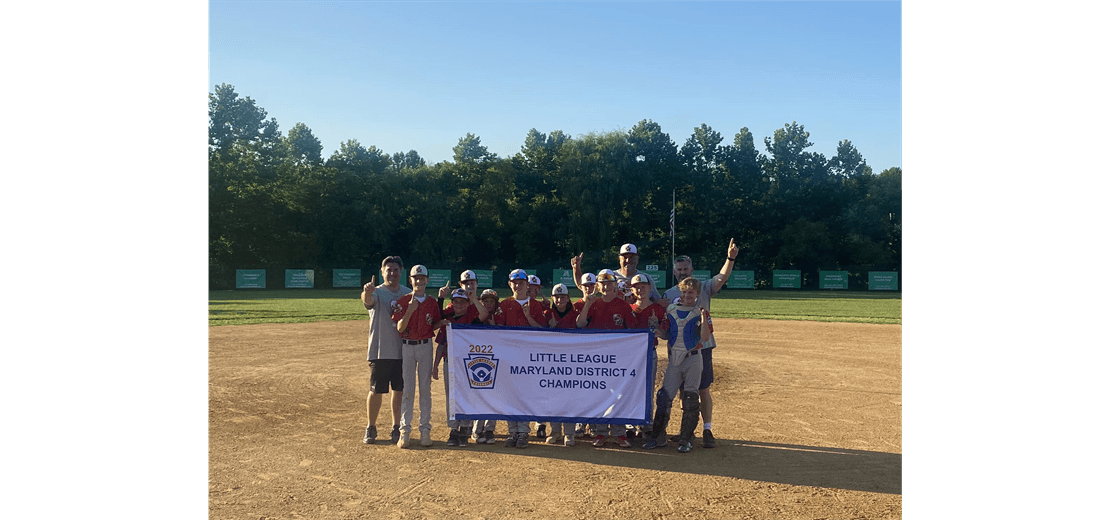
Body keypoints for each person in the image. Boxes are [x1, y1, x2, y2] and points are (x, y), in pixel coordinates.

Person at [660, 238, 740, 449]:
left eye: (686, 268)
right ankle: (686, 430)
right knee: (683, 390)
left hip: (700, 348)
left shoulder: (703, 288)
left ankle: (707, 428)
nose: (683, 272)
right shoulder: (669, 294)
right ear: (674, 271)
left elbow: (722, 277)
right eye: (679, 269)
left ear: (692, 269)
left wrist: (730, 258)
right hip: (677, 349)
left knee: (702, 389)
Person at [643, 276, 712, 453]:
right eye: (684, 292)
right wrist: (659, 332)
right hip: (675, 359)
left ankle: (685, 439)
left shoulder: (701, 312)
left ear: (697, 294)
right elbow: (668, 334)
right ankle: (657, 437)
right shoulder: (671, 310)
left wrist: (703, 318)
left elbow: (705, 337)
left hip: (693, 358)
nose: (688, 295)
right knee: (664, 396)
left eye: (691, 292)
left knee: (690, 398)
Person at [576, 268, 636, 448]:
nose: (606, 286)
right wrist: (587, 303)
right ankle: (600, 432)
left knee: (618, 393)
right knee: (600, 393)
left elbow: (633, 329)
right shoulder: (594, 303)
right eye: (602, 283)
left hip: (617, 356)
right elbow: (580, 324)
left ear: (615, 285)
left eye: (609, 283)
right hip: (596, 357)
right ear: (598, 286)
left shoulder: (623, 305)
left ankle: (619, 433)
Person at [361, 256, 411, 446]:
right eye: (388, 270)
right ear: (382, 272)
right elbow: (367, 301)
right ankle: (371, 426)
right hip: (380, 351)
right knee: (376, 391)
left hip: (402, 351)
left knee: (398, 391)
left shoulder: (408, 293)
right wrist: (367, 292)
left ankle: (396, 426)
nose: (392, 273)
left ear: (401, 272)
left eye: (395, 270)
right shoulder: (377, 292)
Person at [496, 268, 548, 448]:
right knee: (510, 395)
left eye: (521, 282)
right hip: (509, 356)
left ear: (527, 285)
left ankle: (524, 431)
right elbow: (497, 330)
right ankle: (513, 432)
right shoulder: (504, 304)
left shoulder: (535, 305)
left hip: (529, 357)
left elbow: (543, 331)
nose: (518, 285)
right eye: (514, 282)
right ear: (510, 284)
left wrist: (528, 317)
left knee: (525, 395)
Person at [392, 265, 443, 448]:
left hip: (425, 346)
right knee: (408, 389)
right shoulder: (404, 301)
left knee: (425, 389)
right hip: (408, 346)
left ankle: (425, 430)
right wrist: (410, 310)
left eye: (422, 278)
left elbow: (434, 324)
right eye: (416, 278)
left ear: (427, 280)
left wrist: (441, 322)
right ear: (410, 280)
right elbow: (399, 327)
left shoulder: (430, 302)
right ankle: (404, 431)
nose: (419, 281)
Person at [432, 287, 488, 447]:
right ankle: (453, 429)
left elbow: (484, 315)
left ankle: (465, 428)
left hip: (467, 364)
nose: (459, 305)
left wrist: (474, 299)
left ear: (467, 303)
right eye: (456, 302)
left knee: (467, 395)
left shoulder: (471, 319)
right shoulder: (448, 321)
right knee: (451, 396)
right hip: (450, 362)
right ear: (452, 303)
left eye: (462, 302)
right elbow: (441, 345)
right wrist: (435, 365)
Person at [629, 273, 668, 441]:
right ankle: (630, 423)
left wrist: (658, 328)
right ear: (632, 290)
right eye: (636, 287)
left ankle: (646, 423)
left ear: (650, 288)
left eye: (643, 286)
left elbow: (666, 334)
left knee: (648, 389)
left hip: (649, 352)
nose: (640, 289)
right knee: (629, 389)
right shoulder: (628, 308)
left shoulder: (658, 309)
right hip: (630, 355)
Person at [543, 283, 580, 446]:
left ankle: (569, 433)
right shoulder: (547, 313)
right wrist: (549, 328)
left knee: (569, 397)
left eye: (563, 297)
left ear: (568, 298)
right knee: (553, 397)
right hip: (551, 361)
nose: (560, 299)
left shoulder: (575, 314)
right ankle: (555, 431)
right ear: (552, 298)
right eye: (557, 297)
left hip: (570, 361)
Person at [572, 243, 662, 305]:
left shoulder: (646, 278)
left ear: (637, 259)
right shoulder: (609, 276)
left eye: (632, 257)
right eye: (624, 257)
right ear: (619, 259)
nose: (628, 261)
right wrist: (576, 268)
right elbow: (583, 284)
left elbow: (657, 299)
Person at [470, 288, 501, 444]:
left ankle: (489, 429)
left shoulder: (500, 316)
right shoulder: (477, 316)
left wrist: (496, 326)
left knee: (494, 396)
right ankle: (477, 429)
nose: (488, 304)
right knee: (480, 394)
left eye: (491, 301)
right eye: (486, 301)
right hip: (480, 360)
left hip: (497, 360)